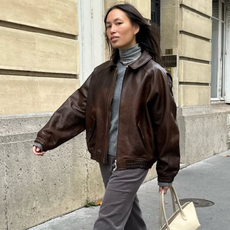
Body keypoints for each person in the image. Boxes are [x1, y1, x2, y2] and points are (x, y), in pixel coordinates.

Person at [33, 3, 180, 230]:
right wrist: (46, 137)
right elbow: (76, 107)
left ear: (136, 28)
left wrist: (166, 172)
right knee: (129, 216)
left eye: (119, 23)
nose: (112, 30)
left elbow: (166, 126)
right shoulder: (102, 73)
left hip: (134, 159)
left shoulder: (154, 74)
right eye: (108, 25)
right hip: (106, 157)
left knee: (107, 223)